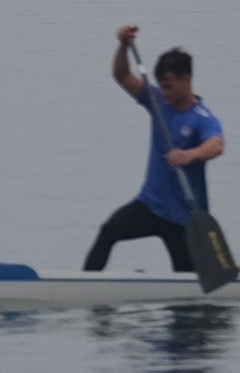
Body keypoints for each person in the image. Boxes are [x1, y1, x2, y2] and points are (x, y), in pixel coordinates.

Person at [84, 24, 225, 272]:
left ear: (186, 79)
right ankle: (85, 286)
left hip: (183, 219)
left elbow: (216, 145)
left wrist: (191, 155)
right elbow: (122, 75)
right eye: (161, 85)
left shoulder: (202, 118)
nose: (164, 92)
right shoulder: (157, 101)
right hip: (150, 206)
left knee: (185, 280)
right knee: (109, 231)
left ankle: (233, 273)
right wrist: (123, 46)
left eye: (169, 85)